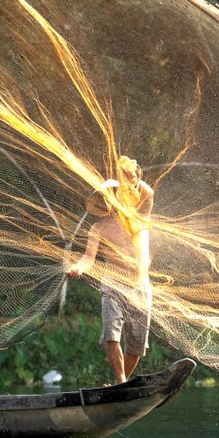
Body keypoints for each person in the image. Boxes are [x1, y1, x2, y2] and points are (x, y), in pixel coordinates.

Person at [67, 163, 154, 384]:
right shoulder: (99, 228)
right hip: (112, 284)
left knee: (137, 343)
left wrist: (131, 175)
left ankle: (119, 385)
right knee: (111, 335)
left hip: (140, 286)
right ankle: (121, 382)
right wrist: (78, 267)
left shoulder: (140, 218)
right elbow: (88, 258)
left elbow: (149, 192)